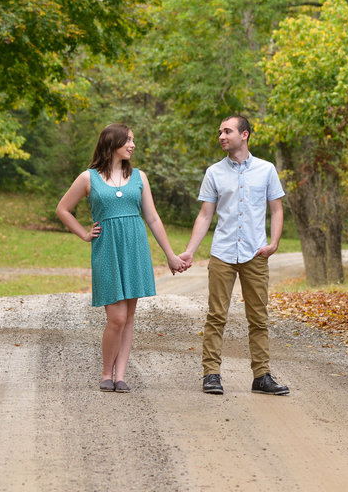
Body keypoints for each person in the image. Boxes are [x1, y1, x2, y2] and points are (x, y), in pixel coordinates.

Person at [57, 123, 187, 393]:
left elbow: (152, 217)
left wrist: (170, 255)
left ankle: (121, 376)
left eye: (133, 140)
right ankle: (106, 373)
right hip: (107, 250)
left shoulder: (140, 177)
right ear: (112, 142)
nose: (132, 145)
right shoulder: (88, 178)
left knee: (128, 317)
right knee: (116, 318)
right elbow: (63, 209)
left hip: (134, 249)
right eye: (127, 140)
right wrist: (84, 234)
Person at [180, 115, 288, 396]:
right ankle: (211, 374)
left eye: (227, 131)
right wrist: (190, 251)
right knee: (216, 316)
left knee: (259, 318)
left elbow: (276, 209)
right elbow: (205, 215)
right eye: (220, 132)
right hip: (223, 253)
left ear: (245, 134)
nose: (221, 136)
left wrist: (274, 244)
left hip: (256, 253)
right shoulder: (214, 172)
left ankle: (261, 377)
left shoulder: (266, 170)